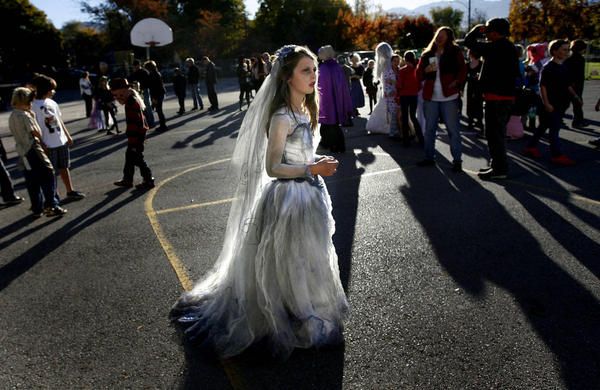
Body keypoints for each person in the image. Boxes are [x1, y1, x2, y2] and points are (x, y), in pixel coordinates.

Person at [170, 44, 348, 359]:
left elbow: (300, 154)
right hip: (288, 198)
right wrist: (311, 168)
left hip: (309, 192)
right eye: (305, 70)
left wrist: (316, 161)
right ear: (287, 77)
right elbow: (273, 167)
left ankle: (303, 308)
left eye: (314, 69)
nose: (313, 75)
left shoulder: (305, 110)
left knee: (309, 257)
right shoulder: (281, 116)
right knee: (289, 259)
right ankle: (290, 314)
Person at [465, 18, 520, 180]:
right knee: (497, 134)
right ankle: (497, 166)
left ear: (495, 32)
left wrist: (475, 30)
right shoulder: (508, 47)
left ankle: (500, 169)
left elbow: (469, 42)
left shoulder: (497, 46)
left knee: (494, 134)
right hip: (504, 97)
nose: (486, 34)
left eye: (488, 31)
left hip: (496, 98)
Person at [522, 39, 583, 166]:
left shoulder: (564, 66)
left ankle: (530, 147)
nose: (567, 52)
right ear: (555, 51)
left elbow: (567, 85)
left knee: (543, 126)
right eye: (564, 49)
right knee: (554, 129)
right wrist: (547, 103)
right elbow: (542, 87)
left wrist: (576, 96)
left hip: (561, 103)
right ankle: (557, 155)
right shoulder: (548, 68)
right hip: (550, 104)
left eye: (568, 49)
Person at [8, 87, 66, 217]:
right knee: (48, 174)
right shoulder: (25, 115)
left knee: (31, 179)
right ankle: (52, 204)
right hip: (33, 148)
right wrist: (34, 119)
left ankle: (37, 207)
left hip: (22, 151)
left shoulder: (12, 116)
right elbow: (36, 132)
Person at [416, 27, 467, 172]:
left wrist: (457, 82)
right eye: (438, 34)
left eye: (443, 35)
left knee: (453, 130)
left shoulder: (455, 52)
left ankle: (457, 161)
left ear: (449, 38)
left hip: (449, 97)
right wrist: (425, 71)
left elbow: (463, 70)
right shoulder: (427, 54)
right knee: (430, 129)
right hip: (430, 97)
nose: (439, 37)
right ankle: (429, 157)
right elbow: (418, 75)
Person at [31, 74, 86, 200]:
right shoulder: (33, 105)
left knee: (64, 167)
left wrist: (67, 136)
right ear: (44, 90)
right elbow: (33, 127)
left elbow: (59, 121)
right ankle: (53, 196)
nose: (53, 92)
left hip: (60, 140)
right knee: (50, 172)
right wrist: (40, 143)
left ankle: (70, 190)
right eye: (51, 89)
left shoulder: (52, 103)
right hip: (47, 143)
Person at [110, 78, 155, 190]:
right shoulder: (131, 98)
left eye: (118, 95)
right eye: (115, 96)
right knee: (130, 157)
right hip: (136, 135)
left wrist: (134, 141)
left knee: (137, 158)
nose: (117, 98)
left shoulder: (131, 102)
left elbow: (135, 122)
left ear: (124, 90)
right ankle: (127, 179)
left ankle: (148, 179)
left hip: (136, 136)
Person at [317, 45, 353, 153]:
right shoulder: (336, 66)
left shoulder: (323, 68)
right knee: (332, 124)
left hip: (327, 101)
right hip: (337, 99)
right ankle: (335, 145)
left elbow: (321, 86)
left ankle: (333, 145)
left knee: (330, 125)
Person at [366, 42, 399, 137]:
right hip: (388, 90)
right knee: (391, 110)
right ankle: (392, 128)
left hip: (388, 91)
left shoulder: (385, 63)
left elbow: (389, 79)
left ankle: (390, 128)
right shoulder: (390, 62)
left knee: (389, 110)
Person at [396, 50, 424, 146]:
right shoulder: (417, 70)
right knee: (413, 116)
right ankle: (420, 138)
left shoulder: (402, 71)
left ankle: (406, 140)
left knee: (404, 117)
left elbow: (399, 85)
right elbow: (420, 85)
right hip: (414, 95)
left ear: (405, 59)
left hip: (404, 95)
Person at [564, 39, 587, 128]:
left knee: (572, 103)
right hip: (576, 84)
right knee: (577, 103)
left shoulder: (568, 58)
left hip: (570, 84)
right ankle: (577, 122)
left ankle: (579, 120)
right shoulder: (580, 59)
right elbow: (578, 73)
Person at [129, 59, 156, 128]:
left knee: (147, 106)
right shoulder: (135, 73)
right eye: (134, 66)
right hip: (138, 92)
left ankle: (151, 122)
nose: (135, 67)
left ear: (139, 65)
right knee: (142, 107)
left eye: (136, 66)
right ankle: (146, 122)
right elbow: (130, 80)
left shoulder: (144, 72)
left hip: (145, 90)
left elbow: (148, 82)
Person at [144, 60, 167, 131]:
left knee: (159, 110)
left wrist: (154, 98)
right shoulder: (156, 73)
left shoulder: (152, 75)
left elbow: (153, 87)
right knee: (159, 110)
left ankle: (163, 126)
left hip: (157, 94)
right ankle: (163, 125)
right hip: (160, 93)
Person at [465, 49, 484, 134]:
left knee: (478, 104)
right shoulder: (467, 65)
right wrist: (461, 89)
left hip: (479, 88)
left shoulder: (481, 65)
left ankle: (479, 122)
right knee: (470, 103)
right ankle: (470, 121)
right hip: (470, 87)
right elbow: (464, 78)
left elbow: (484, 77)